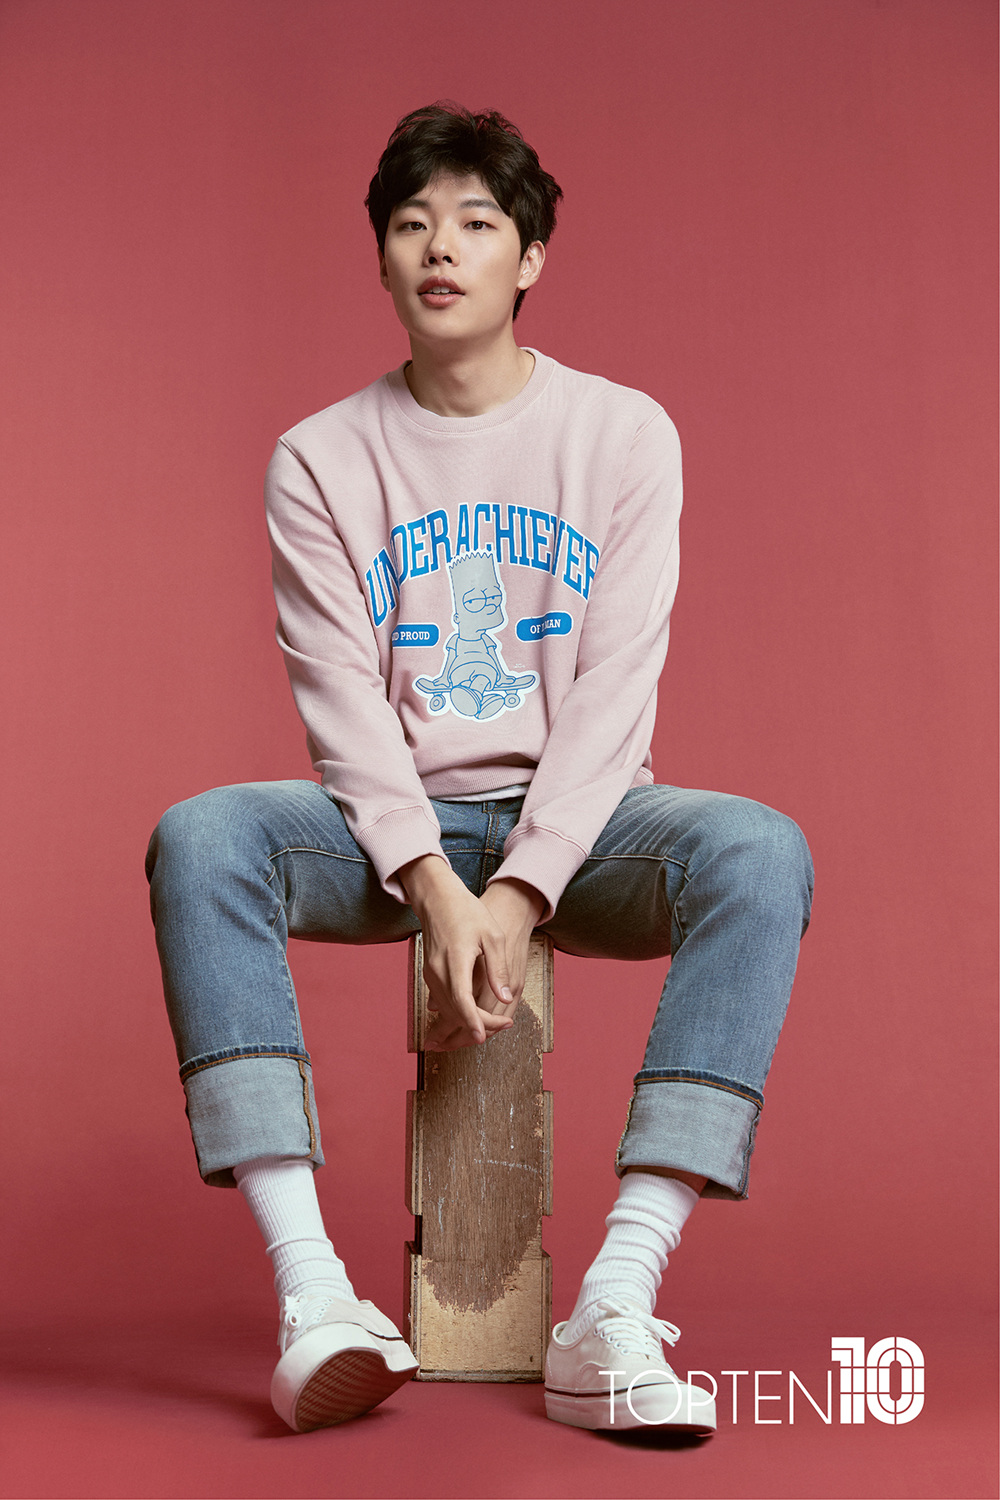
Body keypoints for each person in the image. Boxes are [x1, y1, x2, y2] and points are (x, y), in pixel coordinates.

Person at [146, 101, 814, 1436]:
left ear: (531, 257)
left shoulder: (623, 434)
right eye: (411, 225)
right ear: (382, 258)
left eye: (475, 222)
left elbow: (617, 686)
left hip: (588, 826)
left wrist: (520, 888)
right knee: (202, 836)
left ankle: (613, 1302)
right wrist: (434, 883)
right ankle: (313, 1297)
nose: (440, 248)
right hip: (390, 832)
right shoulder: (320, 457)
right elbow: (339, 697)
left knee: (760, 851)